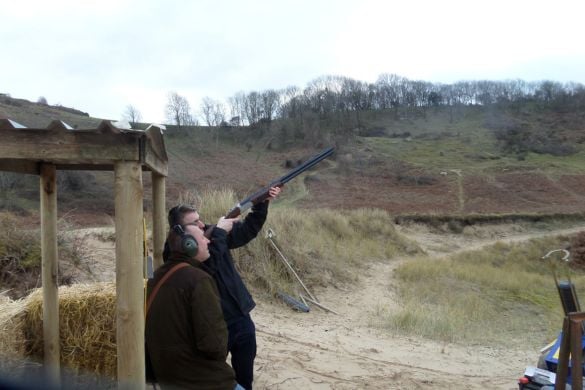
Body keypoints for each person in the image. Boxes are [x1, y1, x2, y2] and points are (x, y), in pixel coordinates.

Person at [165, 186, 281, 390]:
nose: (201, 224)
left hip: (240, 315)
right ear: (180, 231)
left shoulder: (210, 232)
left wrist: (261, 204)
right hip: (213, 325)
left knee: (245, 375)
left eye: (199, 219)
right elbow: (208, 267)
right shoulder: (176, 252)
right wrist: (218, 233)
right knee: (214, 379)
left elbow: (246, 231)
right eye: (194, 223)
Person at [146, 219, 245, 390]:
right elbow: (214, 344)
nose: (208, 240)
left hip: (169, 377)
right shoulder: (198, 279)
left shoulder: (156, 277)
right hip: (202, 380)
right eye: (202, 238)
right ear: (189, 245)